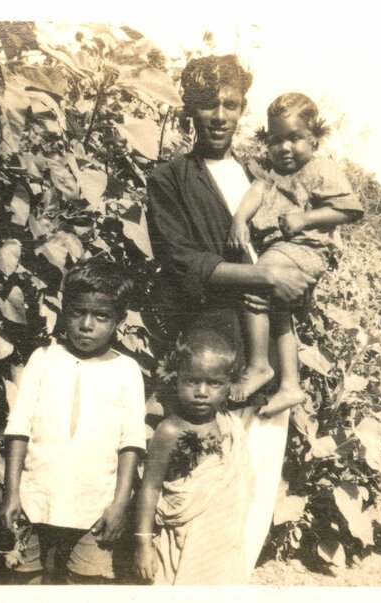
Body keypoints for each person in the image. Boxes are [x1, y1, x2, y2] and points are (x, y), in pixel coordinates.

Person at [146, 54, 313, 579]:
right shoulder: (170, 179)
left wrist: (289, 274)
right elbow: (181, 262)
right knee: (199, 488)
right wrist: (264, 277)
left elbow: (299, 244)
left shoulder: (262, 176)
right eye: (208, 105)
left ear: (243, 110)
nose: (220, 116)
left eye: (231, 104)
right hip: (209, 352)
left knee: (253, 483)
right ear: (189, 109)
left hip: (265, 344)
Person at [0, 259, 146, 584]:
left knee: (87, 581)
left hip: (95, 504)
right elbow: (19, 427)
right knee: (24, 578)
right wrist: (12, 493)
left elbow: (132, 442)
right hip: (36, 498)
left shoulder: (126, 371)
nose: (86, 325)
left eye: (101, 316)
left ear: (119, 320)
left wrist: (119, 505)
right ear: (65, 310)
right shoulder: (43, 359)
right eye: (78, 312)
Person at [227, 93, 364, 416]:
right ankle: (290, 385)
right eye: (275, 140)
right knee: (278, 314)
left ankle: (259, 365)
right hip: (281, 249)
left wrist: (305, 218)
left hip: (305, 248)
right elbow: (255, 191)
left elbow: (349, 209)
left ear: (314, 138)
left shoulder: (320, 169)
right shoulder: (271, 172)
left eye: (294, 138)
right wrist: (239, 220)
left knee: (257, 281)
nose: (284, 148)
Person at [132, 327, 255, 584]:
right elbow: (150, 487)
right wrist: (143, 544)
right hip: (180, 544)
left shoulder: (229, 426)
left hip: (221, 545)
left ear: (228, 385)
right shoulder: (170, 431)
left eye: (214, 383)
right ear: (176, 379)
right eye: (191, 381)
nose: (201, 391)